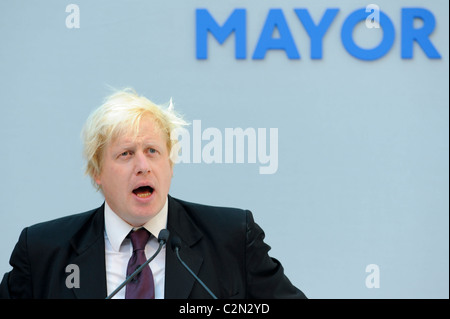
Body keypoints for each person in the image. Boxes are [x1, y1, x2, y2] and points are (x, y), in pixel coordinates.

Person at [0, 89, 306, 299]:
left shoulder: (232, 238)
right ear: (97, 171)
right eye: (125, 154)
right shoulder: (44, 252)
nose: (143, 166)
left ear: (170, 163)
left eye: (153, 151)